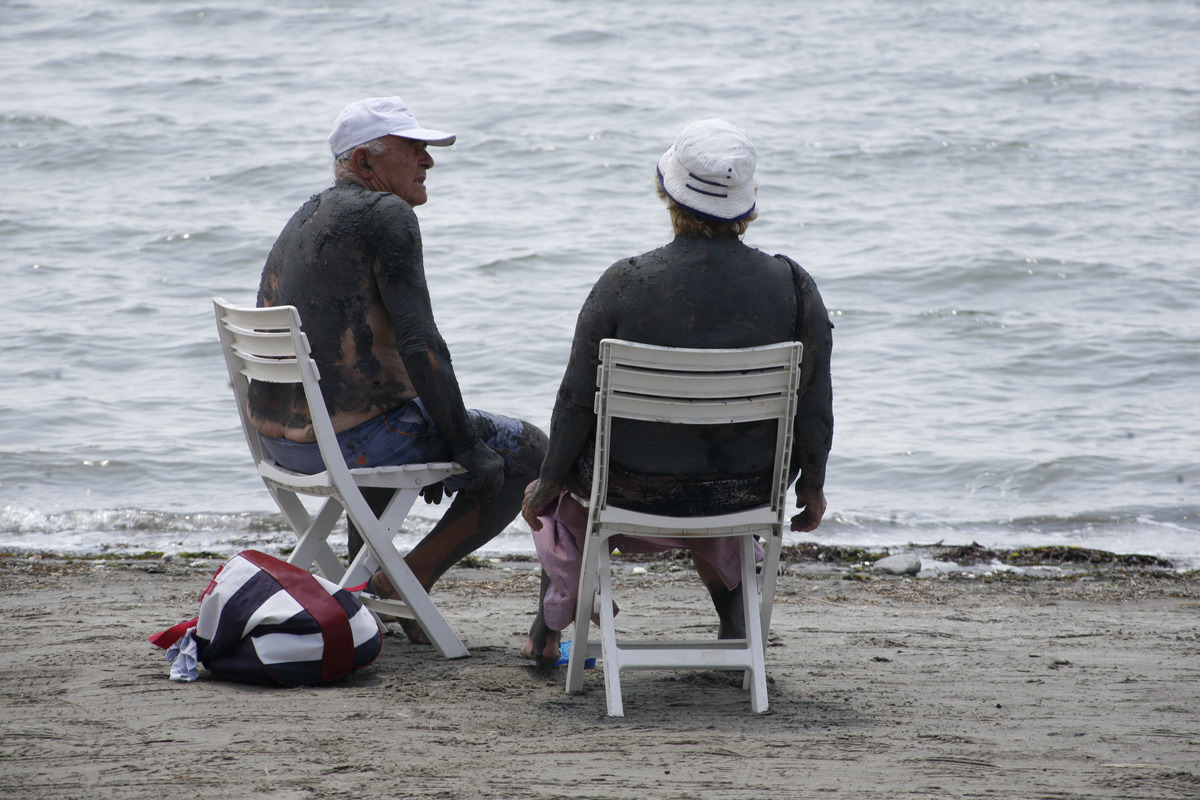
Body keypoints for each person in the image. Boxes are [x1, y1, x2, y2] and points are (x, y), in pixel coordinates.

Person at [520, 119, 833, 665]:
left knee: (570, 495)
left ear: (667, 192)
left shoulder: (624, 282)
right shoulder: (793, 287)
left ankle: (547, 630)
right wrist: (812, 485)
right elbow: (815, 403)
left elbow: (575, 402)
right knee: (711, 467)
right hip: (747, 492)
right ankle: (737, 616)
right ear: (748, 200)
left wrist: (547, 481)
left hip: (629, 490)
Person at [248, 96, 548, 644]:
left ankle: (365, 579)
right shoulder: (386, 215)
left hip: (282, 447)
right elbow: (420, 343)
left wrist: (436, 432)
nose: (427, 162)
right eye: (414, 150)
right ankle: (403, 579)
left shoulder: (305, 217)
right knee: (530, 451)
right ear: (365, 163)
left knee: (404, 418)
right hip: (345, 446)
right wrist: (462, 447)